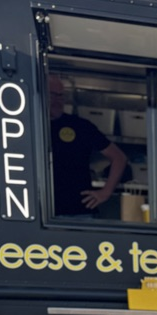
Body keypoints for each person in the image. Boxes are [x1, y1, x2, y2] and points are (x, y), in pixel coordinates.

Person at [48, 75, 128, 217]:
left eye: (61, 95)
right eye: (52, 95)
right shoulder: (28, 126)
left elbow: (118, 158)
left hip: (78, 212)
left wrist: (106, 192)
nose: (57, 100)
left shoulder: (80, 126)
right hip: (39, 212)